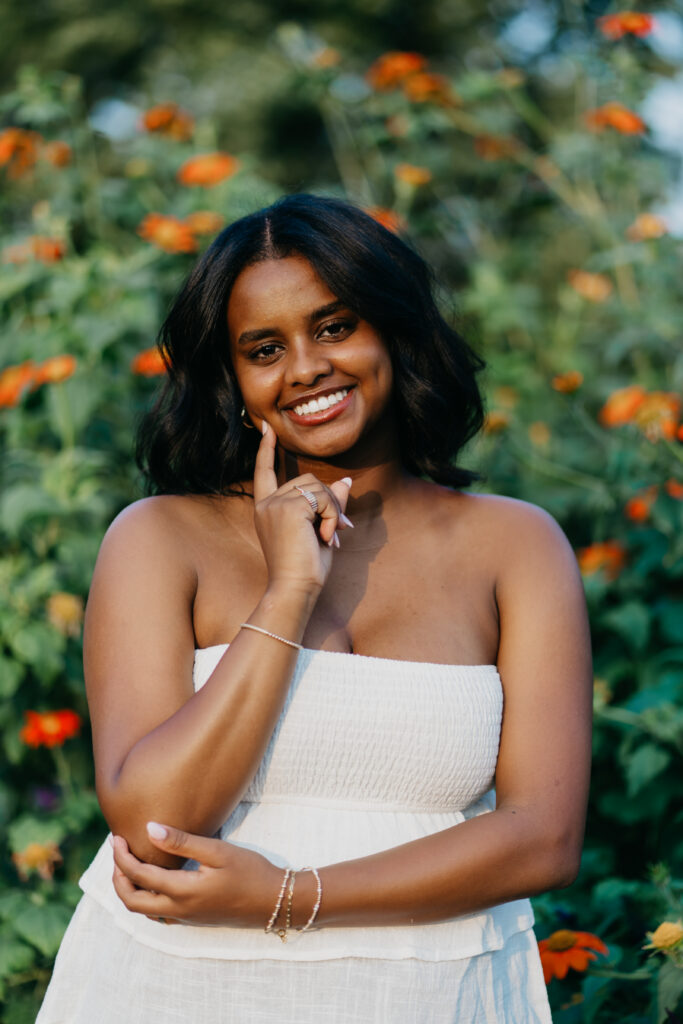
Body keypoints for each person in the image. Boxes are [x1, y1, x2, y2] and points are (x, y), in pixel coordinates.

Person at [37, 193, 592, 1023]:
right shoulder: (159, 539)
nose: (303, 367)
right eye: (264, 348)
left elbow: (542, 838)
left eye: (334, 327)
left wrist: (294, 897)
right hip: (172, 987)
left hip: (434, 991)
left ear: (393, 331)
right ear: (233, 379)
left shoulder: (516, 547)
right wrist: (287, 590)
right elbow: (157, 822)